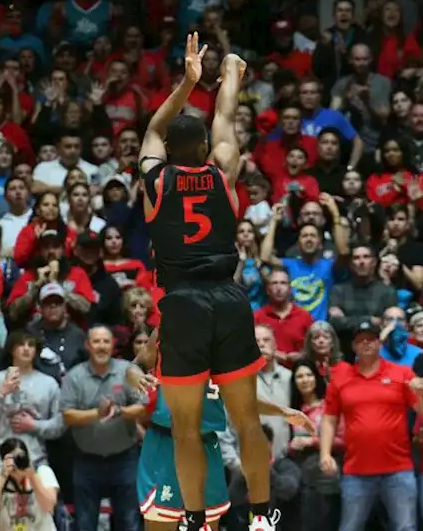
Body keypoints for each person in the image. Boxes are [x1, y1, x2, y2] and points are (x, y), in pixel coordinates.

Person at [138, 33, 276, 531]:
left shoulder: (155, 180)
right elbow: (226, 120)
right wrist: (229, 76)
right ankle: (263, 517)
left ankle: (194, 519)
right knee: (246, 422)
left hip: (182, 305)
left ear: (170, 151)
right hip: (229, 296)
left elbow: (154, 127)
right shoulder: (224, 173)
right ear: (203, 149)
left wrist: (186, 82)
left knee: (186, 430)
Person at [127, 334, 314, 531]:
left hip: (207, 442)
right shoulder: (168, 329)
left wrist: (283, 411)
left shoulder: (227, 342)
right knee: (162, 523)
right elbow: (134, 366)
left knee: (208, 525)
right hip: (167, 442)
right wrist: (138, 378)